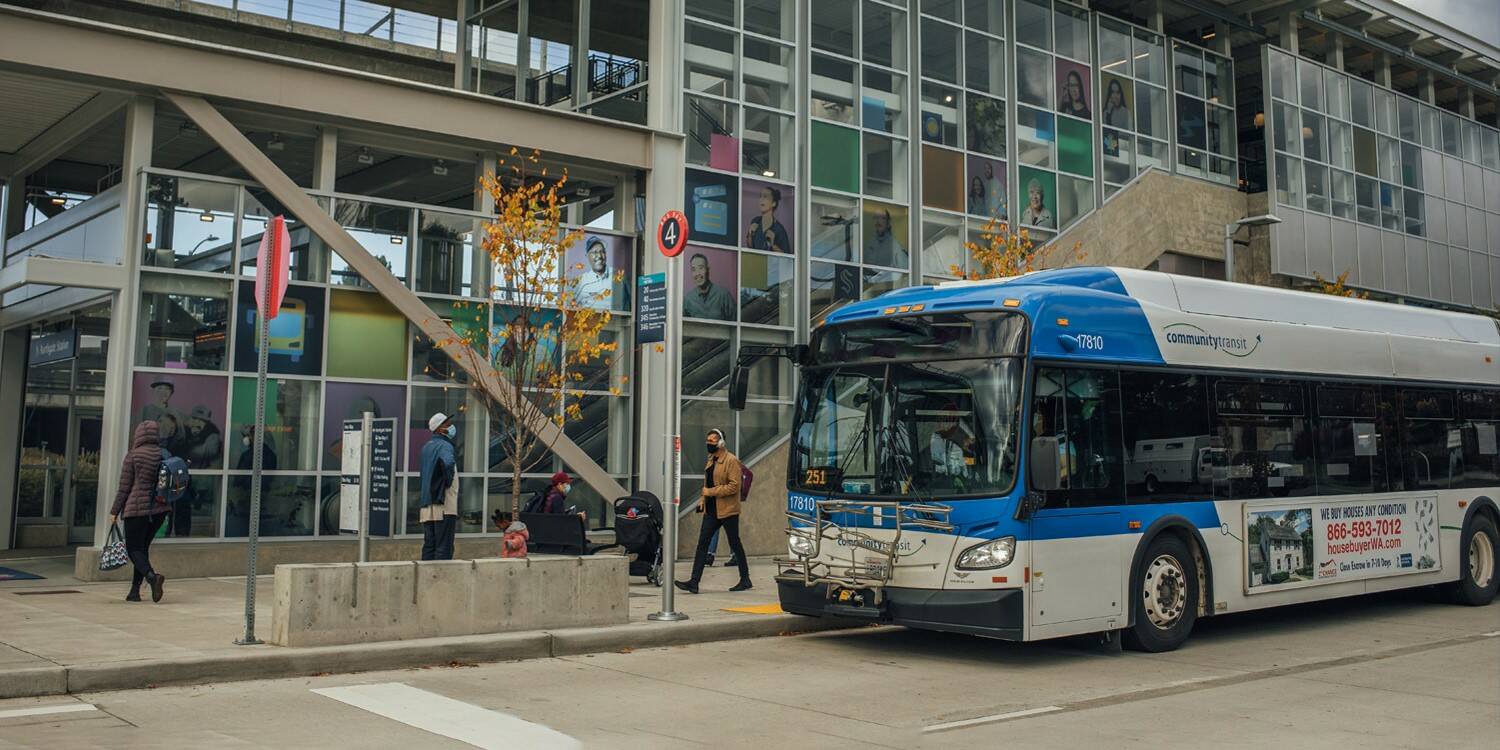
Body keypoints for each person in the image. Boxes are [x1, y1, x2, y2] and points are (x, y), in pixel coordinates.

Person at [676, 429, 751, 594]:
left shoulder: (731, 461)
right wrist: (703, 500)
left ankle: (745, 579)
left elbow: (734, 486)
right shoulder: (712, 459)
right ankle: (694, 582)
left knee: (735, 543)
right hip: (711, 510)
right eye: (707, 440)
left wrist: (710, 493)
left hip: (728, 510)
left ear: (721, 443)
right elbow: (708, 483)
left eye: (712, 441)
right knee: (702, 544)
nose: (708, 444)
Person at [110, 421, 169, 602]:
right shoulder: (164, 454)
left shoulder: (133, 456)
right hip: (159, 510)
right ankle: (134, 591)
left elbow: (124, 488)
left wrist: (114, 511)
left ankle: (152, 577)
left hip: (136, 510)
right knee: (142, 550)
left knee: (133, 549)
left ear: (139, 435)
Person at [418, 412, 459, 561]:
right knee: (444, 546)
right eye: (447, 424)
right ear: (440, 429)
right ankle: (441, 580)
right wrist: (448, 482)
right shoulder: (444, 445)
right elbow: (448, 463)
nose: (451, 427)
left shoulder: (426, 447)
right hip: (443, 504)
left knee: (429, 545)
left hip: (426, 505)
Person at [573, 236, 629, 310]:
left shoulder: (618, 276)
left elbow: (630, 305)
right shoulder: (581, 281)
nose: (599, 256)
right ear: (587, 256)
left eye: (602, 252)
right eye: (594, 252)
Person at [682, 252, 736, 321]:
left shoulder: (724, 295)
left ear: (708, 270)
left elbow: (735, 326)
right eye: (693, 269)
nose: (697, 273)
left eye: (701, 268)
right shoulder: (688, 300)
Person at [744, 185, 791, 253]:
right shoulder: (755, 221)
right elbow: (750, 247)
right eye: (760, 196)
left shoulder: (779, 229)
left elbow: (786, 257)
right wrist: (750, 235)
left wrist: (772, 245)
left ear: (773, 203)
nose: (761, 199)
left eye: (765, 197)